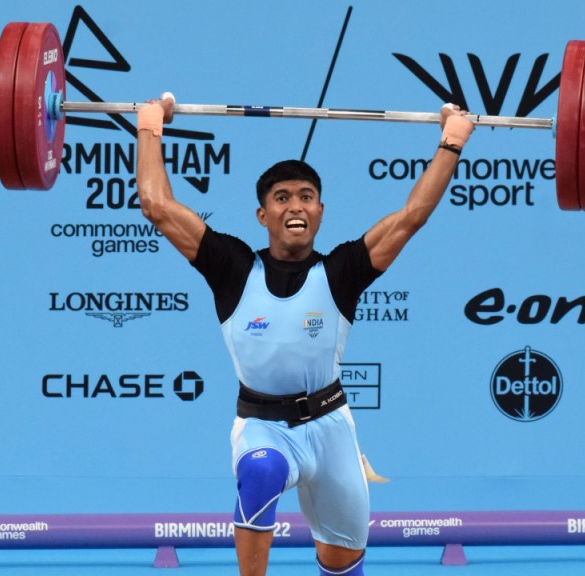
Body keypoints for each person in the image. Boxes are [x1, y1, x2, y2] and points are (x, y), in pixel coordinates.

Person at [135, 93, 473, 576]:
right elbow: (157, 205)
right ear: (262, 215)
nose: (296, 206)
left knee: (341, 564)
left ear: (320, 210)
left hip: (331, 428)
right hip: (262, 426)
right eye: (282, 198)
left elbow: (410, 217)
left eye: (306, 197)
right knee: (260, 470)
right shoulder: (231, 266)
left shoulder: (342, 271)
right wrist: (150, 128)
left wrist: (452, 140)